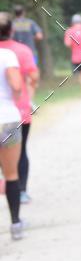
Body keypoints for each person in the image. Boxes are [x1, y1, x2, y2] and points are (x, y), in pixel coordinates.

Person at [1, 14, 39, 203]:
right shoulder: (22, 51)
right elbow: (34, 77)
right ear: (12, 30)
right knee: (21, 150)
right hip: (18, 111)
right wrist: (28, 95)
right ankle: (21, 190)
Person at [0, 14, 25, 239]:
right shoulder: (7, 55)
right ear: (10, 32)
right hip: (7, 118)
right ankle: (15, 224)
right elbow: (16, 84)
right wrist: (15, 94)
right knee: (11, 174)